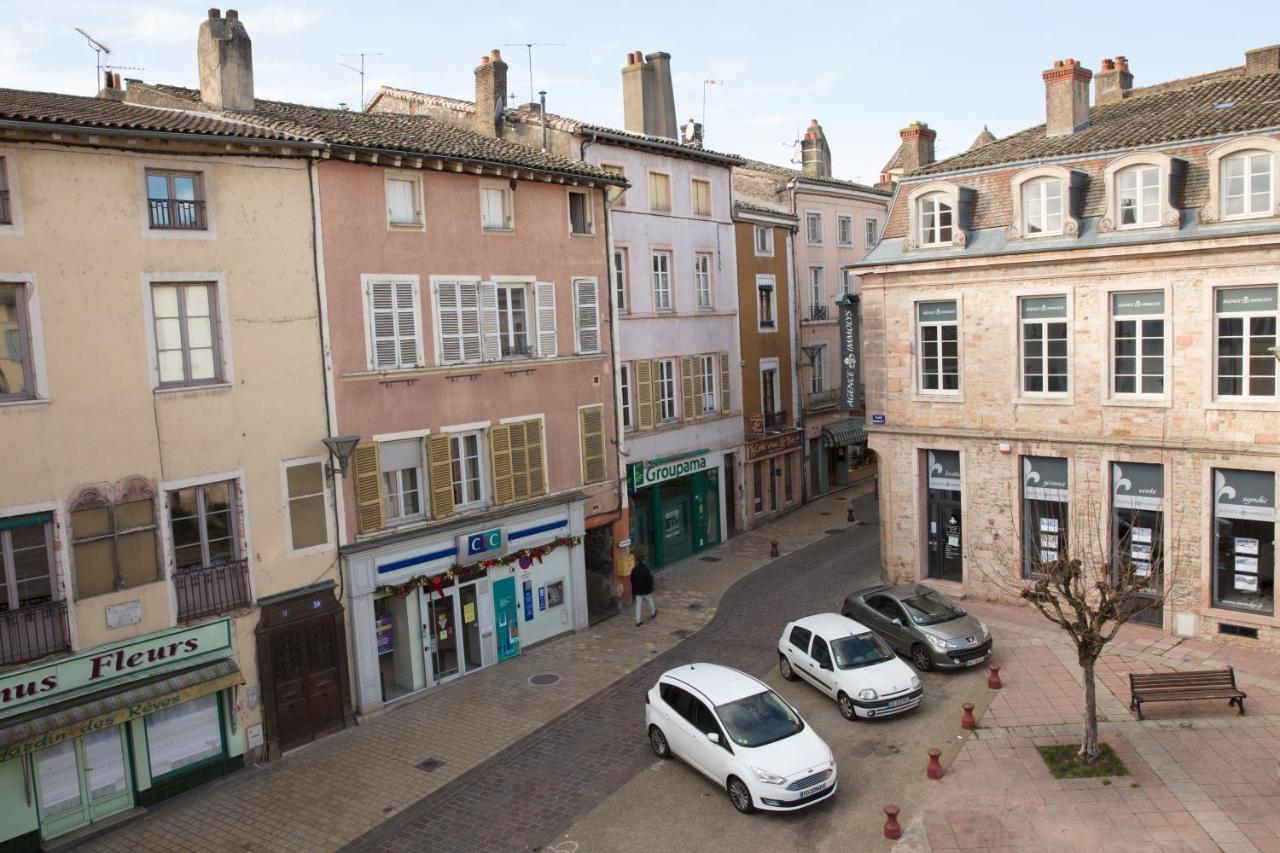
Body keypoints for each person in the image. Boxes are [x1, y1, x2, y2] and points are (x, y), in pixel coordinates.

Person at [630, 549, 656, 627]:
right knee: (650, 601)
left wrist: (634, 589)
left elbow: (631, 579)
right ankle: (653, 613)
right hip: (645, 590)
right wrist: (650, 589)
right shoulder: (646, 569)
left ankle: (638, 621)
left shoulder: (634, 569)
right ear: (644, 560)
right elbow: (648, 581)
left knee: (638, 605)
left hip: (637, 591)